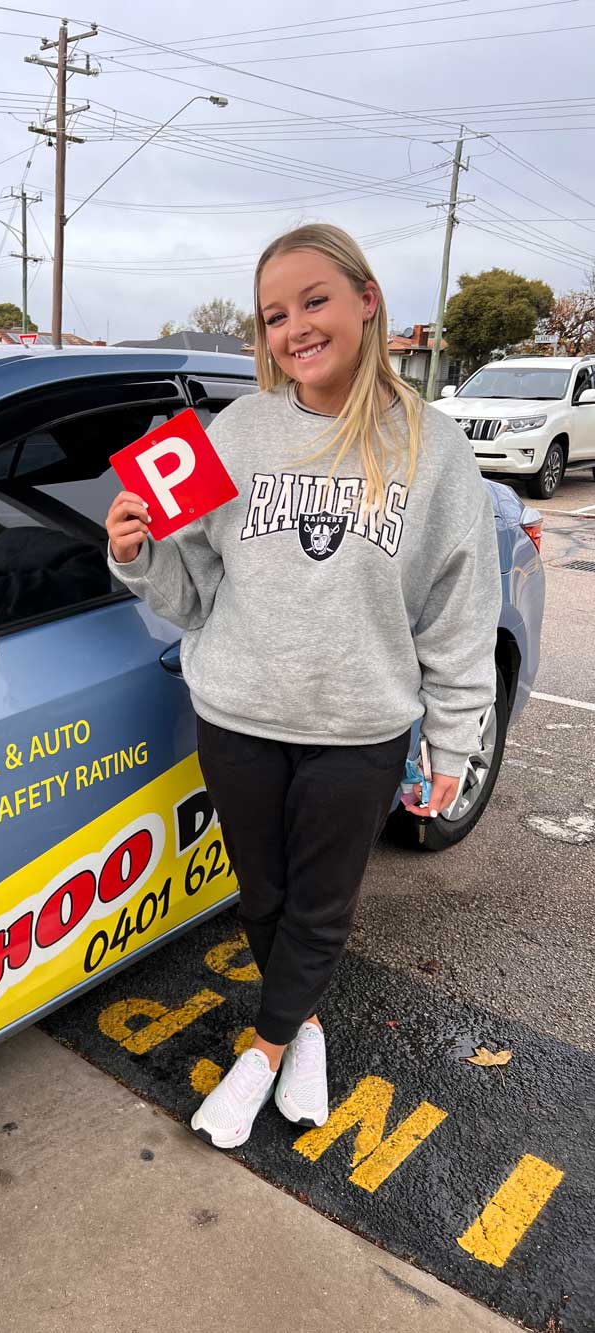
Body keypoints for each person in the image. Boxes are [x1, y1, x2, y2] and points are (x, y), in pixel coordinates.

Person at [105, 223, 500, 1150]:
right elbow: (194, 591)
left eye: (313, 301)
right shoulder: (235, 433)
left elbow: (458, 610)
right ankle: (307, 1030)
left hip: (359, 723)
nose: (294, 329)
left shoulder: (431, 451)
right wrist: (136, 555)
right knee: (263, 896)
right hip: (238, 712)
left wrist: (454, 736)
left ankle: (264, 1046)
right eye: (275, 314)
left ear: (367, 300)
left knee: (320, 904)